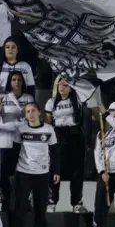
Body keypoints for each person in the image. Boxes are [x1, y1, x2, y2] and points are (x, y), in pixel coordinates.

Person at [6, 102, 58, 227]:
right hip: (23, 172)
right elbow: (15, 151)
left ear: (39, 112)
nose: (31, 114)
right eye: (28, 111)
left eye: (33, 110)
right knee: (20, 205)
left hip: (42, 173)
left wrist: (56, 171)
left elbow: (55, 152)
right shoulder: (21, 129)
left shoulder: (49, 129)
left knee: (41, 206)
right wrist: (11, 172)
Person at [0, 70, 35, 214]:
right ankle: (5, 201)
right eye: (14, 79)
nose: (17, 82)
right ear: (9, 82)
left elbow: (32, 116)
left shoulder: (28, 97)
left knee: (24, 172)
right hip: (5, 140)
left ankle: (25, 201)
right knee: (5, 174)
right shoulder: (1, 96)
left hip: (24, 141)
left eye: (19, 80)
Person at [45, 76, 88, 213]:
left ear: (71, 88)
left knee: (77, 169)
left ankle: (76, 202)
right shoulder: (51, 102)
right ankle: (52, 201)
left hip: (75, 134)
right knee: (55, 168)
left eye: (65, 85)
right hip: (58, 134)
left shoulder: (78, 99)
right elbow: (48, 122)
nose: (62, 87)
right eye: (60, 85)